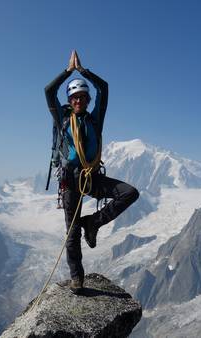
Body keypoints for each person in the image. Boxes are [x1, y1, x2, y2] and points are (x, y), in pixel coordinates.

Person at [44, 51, 140, 294]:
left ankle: (93, 223)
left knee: (129, 193)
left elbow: (104, 89)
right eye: (75, 97)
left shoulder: (95, 119)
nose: (79, 101)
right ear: (70, 99)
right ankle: (77, 278)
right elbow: (48, 91)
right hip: (70, 181)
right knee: (72, 233)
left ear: (87, 100)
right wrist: (68, 71)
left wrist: (83, 71)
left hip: (91, 177)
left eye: (83, 97)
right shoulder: (62, 118)